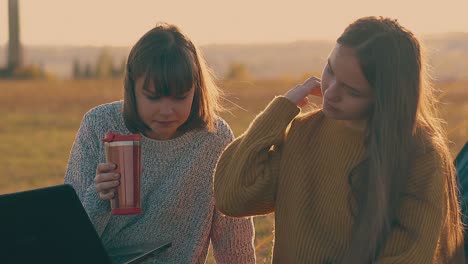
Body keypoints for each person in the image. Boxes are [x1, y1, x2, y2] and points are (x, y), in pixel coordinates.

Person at [214, 16, 464, 263]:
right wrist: (279, 112)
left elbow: (408, 257)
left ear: (385, 98)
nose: (330, 92)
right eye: (330, 71)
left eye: (352, 90)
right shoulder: (304, 131)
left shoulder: (422, 156)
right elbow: (232, 196)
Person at [64, 23, 255, 264]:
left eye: (180, 97)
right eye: (153, 97)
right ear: (132, 89)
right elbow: (68, 239)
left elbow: (233, 236)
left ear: (196, 90)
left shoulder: (214, 138)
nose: (167, 111)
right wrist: (98, 196)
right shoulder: (100, 125)